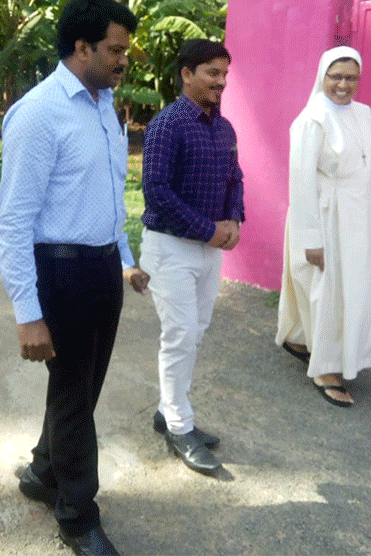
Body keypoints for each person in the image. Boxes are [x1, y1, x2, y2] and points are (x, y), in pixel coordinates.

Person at [0, 0, 149, 556]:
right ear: (82, 47)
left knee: (80, 389)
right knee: (75, 395)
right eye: (115, 50)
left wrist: (124, 258)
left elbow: (107, 196)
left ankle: (44, 472)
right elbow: (13, 222)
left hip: (103, 268)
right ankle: (79, 516)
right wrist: (27, 313)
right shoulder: (39, 113)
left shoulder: (104, 105)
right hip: (61, 273)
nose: (124, 61)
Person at [139, 39, 244, 475]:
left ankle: (169, 410)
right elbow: (156, 193)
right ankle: (179, 427)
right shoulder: (166, 125)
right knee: (180, 335)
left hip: (209, 251)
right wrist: (209, 229)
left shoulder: (225, 128)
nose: (221, 82)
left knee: (195, 332)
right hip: (170, 249)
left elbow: (235, 178)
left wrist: (234, 218)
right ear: (187, 74)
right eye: (211, 73)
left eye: (224, 74)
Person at [275, 45, 371, 407]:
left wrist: (369, 212)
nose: (343, 84)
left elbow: (367, 167)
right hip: (323, 213)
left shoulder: (363, 113)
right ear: (323, 76)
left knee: (353, 287)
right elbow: (300, 179)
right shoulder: (312, 118)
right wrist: (310, 239)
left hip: (355, 216)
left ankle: (305, 339)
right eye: (335, 76)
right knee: (326, 290)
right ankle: (325, 369)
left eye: (351, 77)